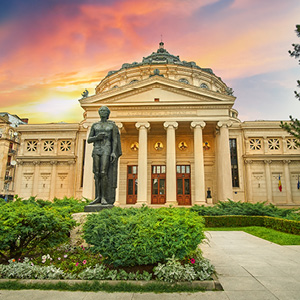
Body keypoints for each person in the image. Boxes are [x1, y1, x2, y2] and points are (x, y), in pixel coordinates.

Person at [87, 106, 122, 205]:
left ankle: (104, 197)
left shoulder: (112, 126)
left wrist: (113, 152)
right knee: (96, 173)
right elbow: (89, 139)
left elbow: (115, 140)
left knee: (103, 172)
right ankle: (97, 197)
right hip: (96, 149)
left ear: (108, 113)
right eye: (101, 110)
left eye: (105, 111)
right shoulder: (95, 125)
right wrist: (96, 137)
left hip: (107, 148)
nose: (102, 112)